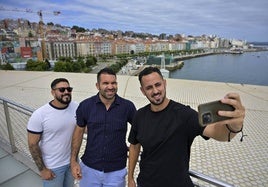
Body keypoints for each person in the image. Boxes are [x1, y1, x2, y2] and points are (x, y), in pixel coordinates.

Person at [128, 67, 246, 187]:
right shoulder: (140, 115)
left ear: (164, 83)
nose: (155, 91)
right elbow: (134, 146)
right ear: (143, 91)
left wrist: (234, 126)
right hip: (145, 183)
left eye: (158, 85)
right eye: (149, 88)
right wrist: (130, 178)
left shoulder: (185, 115)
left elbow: (218, 133)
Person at [70, 68, 136, 187]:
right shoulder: (85, 106)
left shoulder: (128, 107)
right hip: (89, 169)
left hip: (116, 171)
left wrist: (131, 176)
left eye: (113, 83)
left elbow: (138, 133)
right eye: (106, 83)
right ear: (97, 85)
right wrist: (73, 161)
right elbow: (78, 133)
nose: (110, 87)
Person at [27, 78, 78, 187]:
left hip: (71, 163)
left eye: (69, 89)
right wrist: (43, 170)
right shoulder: (40, 114)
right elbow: (32, 144)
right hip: (53, 167)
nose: (66, 92)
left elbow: (83, 128)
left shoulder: (76, 107)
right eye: (62, 89)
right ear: (53, 92)